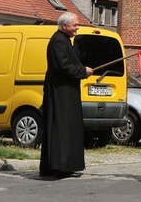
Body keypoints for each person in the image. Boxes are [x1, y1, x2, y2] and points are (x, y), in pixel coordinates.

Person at [39, 12, 94, 178]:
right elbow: (63, 67)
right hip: (59, 92)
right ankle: (58, 165)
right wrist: (82, 71)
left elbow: (70, 63)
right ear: (64, 26)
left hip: (67, 91)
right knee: (60, 128)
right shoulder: (58, 41)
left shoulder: (65, 41)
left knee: (68, 127)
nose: (77, 28)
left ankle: (67, 165)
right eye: (74, 25)